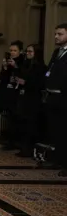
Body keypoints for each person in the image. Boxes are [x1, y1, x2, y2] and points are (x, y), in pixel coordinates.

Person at [13, 44, 47, 157]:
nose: (27, 54)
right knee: (23, 123)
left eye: (30, 52)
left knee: (31, 125)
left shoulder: (41, 67)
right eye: (27, 51)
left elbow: (40, 84)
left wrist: (25, 83)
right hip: (23, 97)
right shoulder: (25, 65)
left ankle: (30, 149)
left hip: (33, 99)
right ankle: (24, 147)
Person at [44, 23, 67, 176]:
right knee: (55, 130)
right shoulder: (56, 52)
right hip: (52, 96)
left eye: (60, 34)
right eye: (55, 34)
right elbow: (50, 70)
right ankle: (57, 159)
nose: (56, 37)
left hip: (64, 97)